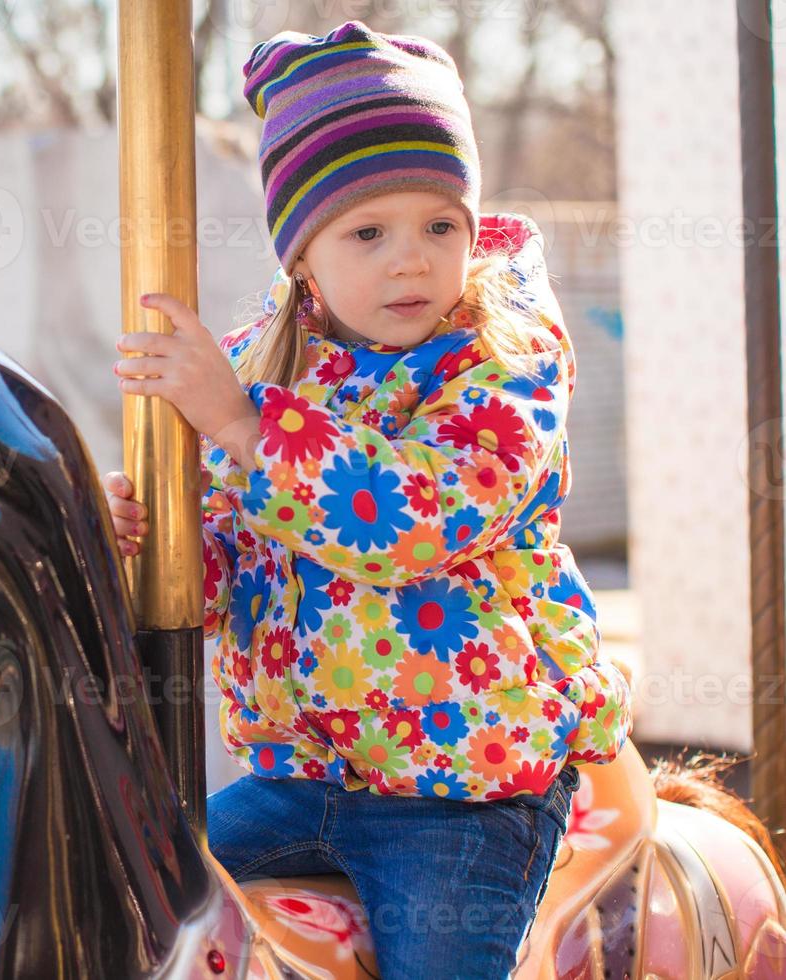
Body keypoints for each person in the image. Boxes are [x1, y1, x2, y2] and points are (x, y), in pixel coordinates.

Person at [102, 20, 632, 977]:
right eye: (368, 232)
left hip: (465, 789)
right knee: (121, 897)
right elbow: (237, 570)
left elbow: (420, 517)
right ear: (302, 254)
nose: (410, 260)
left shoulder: (505, 367)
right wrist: (151, 541)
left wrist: (249, 430)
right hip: (299, 780)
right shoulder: (273, 367)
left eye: (440, 226)